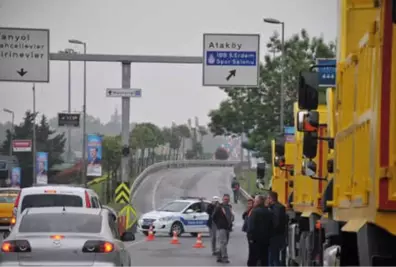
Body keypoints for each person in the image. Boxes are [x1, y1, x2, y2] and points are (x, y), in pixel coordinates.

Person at [247, 195, 274, 267]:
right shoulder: (269, 212)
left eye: (255, 201)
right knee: (264, 258)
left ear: (258, 202)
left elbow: (251, 226)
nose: (254, 203)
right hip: (266, 239)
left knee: (253, 258)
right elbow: (271, 226)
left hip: (255, 239)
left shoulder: (255, 212)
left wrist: (250, 238)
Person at [212, 193, 234, 263]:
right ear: (222, 199)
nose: (226, 200)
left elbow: (231, 216)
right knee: (223, 242)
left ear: (229, 200)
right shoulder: (219, 207)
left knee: (225, 242)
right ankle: (225, 258)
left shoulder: (229, 207)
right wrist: (218, 224)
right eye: (225, 199)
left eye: (227, 199)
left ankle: (219, 256)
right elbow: (213, 216)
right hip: (221, 227)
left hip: (228, 227)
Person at [268, 191, 287, 267]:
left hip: (275, 236)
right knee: (275, 256)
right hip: (280, 234)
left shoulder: (276, 208)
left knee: (273, 257)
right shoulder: (280, 207)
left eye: (268, 198)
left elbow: (276, 222)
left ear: (270, 198)